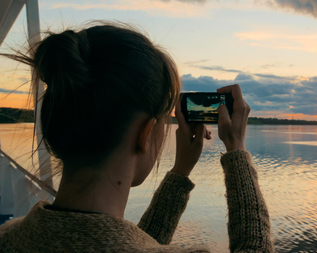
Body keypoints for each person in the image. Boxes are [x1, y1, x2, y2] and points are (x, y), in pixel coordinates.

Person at [0, 24, 274, 252]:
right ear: (145, 134)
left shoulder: (8, 236)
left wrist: (180, 172)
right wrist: (237, 151)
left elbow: (130, 244)